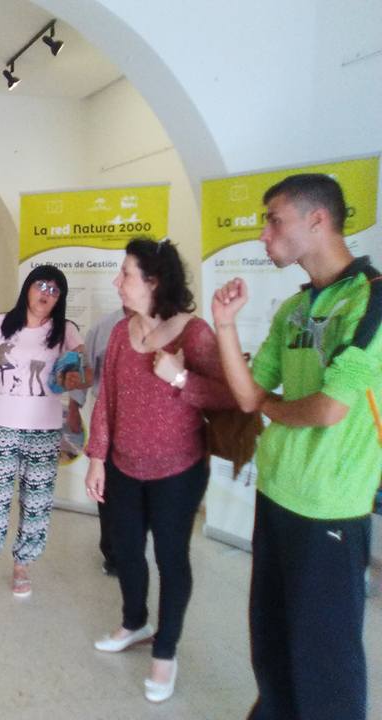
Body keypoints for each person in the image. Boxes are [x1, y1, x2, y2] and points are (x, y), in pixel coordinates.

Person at [212, 173, 381, 720]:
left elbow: (330, 407)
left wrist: (273, 406)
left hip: (330, 507)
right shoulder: (294, 308)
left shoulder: (371, 301)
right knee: (272, 642)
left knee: (325, 662)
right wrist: (224, 326)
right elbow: (247, 395)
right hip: (277, 493)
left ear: (317, 219)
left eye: (274, 220)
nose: (264, 234)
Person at [84, 237, 235, 703]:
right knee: (126, 552)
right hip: (124, 467)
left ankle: (165, 651)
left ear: (154, 281)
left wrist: (181, 377)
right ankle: (134, 623)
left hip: (178, 472)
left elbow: (230, 395)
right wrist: (96, 458)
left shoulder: (194, 333)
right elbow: (107, 400)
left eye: (126, 274)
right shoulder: (120, 332)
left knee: (171, 559)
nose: (118, 282)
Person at [0, 265, 90, 597]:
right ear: (28, 287)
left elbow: (84, 372)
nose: (47, 293)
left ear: (60, 299)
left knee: (37, 501)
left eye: (55, 290)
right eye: (41, 285)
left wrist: (75, 378)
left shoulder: (66, 330)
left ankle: (22, 566)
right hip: (1, 425)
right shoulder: (1, 323)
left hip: (44, 429)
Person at [67, 305, 130, 576]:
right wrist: (73, 408)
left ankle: (133, 547)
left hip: (145, 428)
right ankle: (113, 554)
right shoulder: (103, 327)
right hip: (108, 421)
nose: (120, 285)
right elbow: (86, 370)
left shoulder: (162, 324)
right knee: (109, 488)